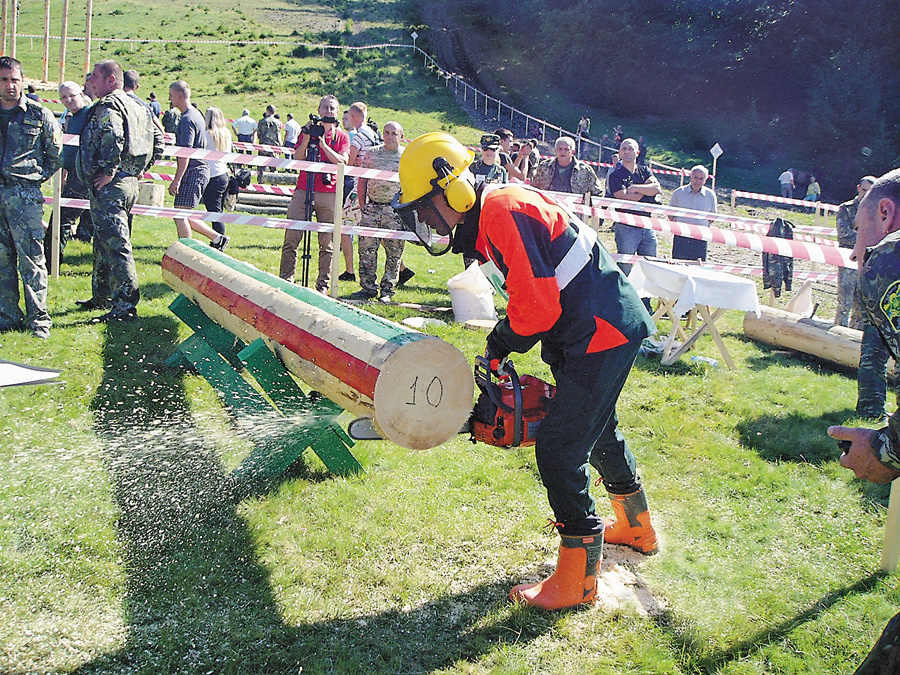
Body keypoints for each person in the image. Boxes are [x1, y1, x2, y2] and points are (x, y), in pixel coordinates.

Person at [392, 132, 659, 611]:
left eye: (427, 207)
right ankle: (636, 527)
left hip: (601, 331)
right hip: (594, 329)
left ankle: (577, 580)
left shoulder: (500, 211)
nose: (427, 220)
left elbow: (535, 308)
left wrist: (499, 343)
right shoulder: (497, 210)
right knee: (598, 429)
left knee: (559, 448)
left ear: (452, 191)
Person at [827, 169, 900, 673]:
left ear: (885, 212)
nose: (857, 253)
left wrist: (887, 449)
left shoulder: (891, 259)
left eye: (857, 232)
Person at [77, 59, 163, 322]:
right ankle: (101, 295)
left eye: (95, 77)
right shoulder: (139, 105)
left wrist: (110, 169)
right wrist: (139, 168)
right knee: (104, 242)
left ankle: (125, 305)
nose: (91, 82)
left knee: (116, 245)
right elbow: (158, 141)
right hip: (128, 182)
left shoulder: (109, 105)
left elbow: (113, 136)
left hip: (112, 185)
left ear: (111, 80)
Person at [0, 56, 61, 339]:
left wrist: (33, 179)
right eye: (4, 80)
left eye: (14, 79)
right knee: (2, 259)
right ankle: (7, 316)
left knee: (32, 259)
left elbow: (55, 155)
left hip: (24, 196)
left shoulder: (38, 114)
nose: (10, 86)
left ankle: (39, 320)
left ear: (23, 81)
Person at [279, 95, 350, 293]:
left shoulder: (342, 136)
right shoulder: (308, 130)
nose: (328, 111)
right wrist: (308, 138)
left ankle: (323, 286)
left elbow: (343, 162)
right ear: (319, 110)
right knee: (291, 236)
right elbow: (298, 157)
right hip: (303, 188)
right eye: (325, 108)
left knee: (326, 243)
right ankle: (286, 280)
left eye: (332, 108)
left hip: (328, 193)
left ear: (337, 112)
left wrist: (323, 145)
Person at [168, 80, 228, 251]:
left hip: (193, 171)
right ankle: (217, 238)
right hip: (199, 170)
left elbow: (185, 153)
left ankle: (185, 252)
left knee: (180, 215)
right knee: (184, 213)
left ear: (180, 96)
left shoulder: (187, 119)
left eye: (171, 96)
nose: (170, 99)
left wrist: (177, 180)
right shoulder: (196, 114)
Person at [353, 121, 405, 302]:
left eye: (394, 133)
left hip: (395, 211)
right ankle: (368, 288)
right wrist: (362, 204)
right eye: (387, 132)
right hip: (372, 208)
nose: (390, 136)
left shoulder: (407, 156)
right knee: (366, 250)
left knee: (394, 252)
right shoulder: (372, 154)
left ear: (401, 136)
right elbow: (362, 180)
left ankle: (387, 290)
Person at [44, 81, 92, 270]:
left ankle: (50, 263)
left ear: (81, 92)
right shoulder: (74, 117)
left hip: (83, 176)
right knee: (61, 218)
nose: (68, 100)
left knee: (61, 220)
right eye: (64, 97)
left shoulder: (89, 114)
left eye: (71, 95)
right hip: (73, 174)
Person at [607, 138, 661, 275]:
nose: (627, 151)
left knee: (649, 265)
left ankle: (645, 297)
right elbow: (623, 196)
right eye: (623, 149)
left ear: (637, 152)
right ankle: (622, 295)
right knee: (625, 267)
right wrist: (645, 192)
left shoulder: (646, 171)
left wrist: (635, 188)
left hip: (647, 225)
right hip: (626, 227)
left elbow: (656, 188)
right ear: (619, 153)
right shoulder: (615, 176)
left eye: (630, 148)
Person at [340, 101, 379, 283]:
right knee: (376, 229)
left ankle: (349, 270)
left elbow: (349, 161)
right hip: (372, 187)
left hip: (358, 188)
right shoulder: (372, 134)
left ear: (354, 117)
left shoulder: (357, 137)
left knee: (344, 227)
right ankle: (402, 268)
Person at [836, 177, 877, 328]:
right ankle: (838, 335)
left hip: (866, 262)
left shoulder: (876, 212)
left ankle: (853, 340)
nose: (866, 194)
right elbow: (844, 234)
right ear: (859, 187)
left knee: (861, 305)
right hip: (848, 259)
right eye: (864, 190)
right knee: (844, 303)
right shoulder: (846, 208)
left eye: (870, 192)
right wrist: (867, 239)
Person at [669, 165, 718, 261]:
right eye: (695, 177)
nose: (698, 181)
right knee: (678, 264)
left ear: (705, 180)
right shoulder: (678, 193)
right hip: (681, 236)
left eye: (701, 178)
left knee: (698, 267)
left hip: (701, 237)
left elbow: (712, 218)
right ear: (690, 176)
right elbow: (671, 215)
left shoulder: (710, 195)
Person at [531, 136, 602, 196]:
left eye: (566, 149)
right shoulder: (544, 166)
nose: (562, 152)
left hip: (574, 210)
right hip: (549, 209)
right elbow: (534, 188)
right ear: (555, 150)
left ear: (573, 152)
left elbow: (598, 193)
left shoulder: (585, 170)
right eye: (560, 149)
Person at [201, 107, 233, 237]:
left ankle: (219, 238)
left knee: (213, 212)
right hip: (223, 174)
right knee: (217, 210)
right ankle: (219, 237)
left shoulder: (206, 134)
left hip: (212, 174)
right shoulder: (226, 134)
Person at [256, 104, 281, 182]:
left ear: (267, 111)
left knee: (261, 167)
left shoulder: (261, 121)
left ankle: (260, 182)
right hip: (273, 147)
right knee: (274, 167)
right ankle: (274, 183)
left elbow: (258, 134)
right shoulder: (277, 122)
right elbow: (278, 134)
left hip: (263, 146)